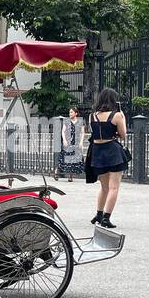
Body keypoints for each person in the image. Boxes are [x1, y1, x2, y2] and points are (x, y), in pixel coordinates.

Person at [86, 88, 127, 229]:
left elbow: (95, 132)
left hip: (97, 152)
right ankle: (106, 218)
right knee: (114, 187)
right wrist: (123, 117)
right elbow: (123, 134)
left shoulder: (92, 116)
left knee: (104, 187)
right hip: (112, 151)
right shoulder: (117, 115)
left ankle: (98, 214)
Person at [55, 107, 85, 182]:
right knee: (64, 158)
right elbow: (63, 131)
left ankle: (70, 176)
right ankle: (56, 171)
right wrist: (64, 140)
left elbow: (82, 132)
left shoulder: (80, 122)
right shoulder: (67, 121)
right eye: (69, 112)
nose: (70, 113)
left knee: (73, 159)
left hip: (76, 142)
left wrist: (81, 142)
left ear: (76, 113)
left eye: (71, 112)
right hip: (68, 142)